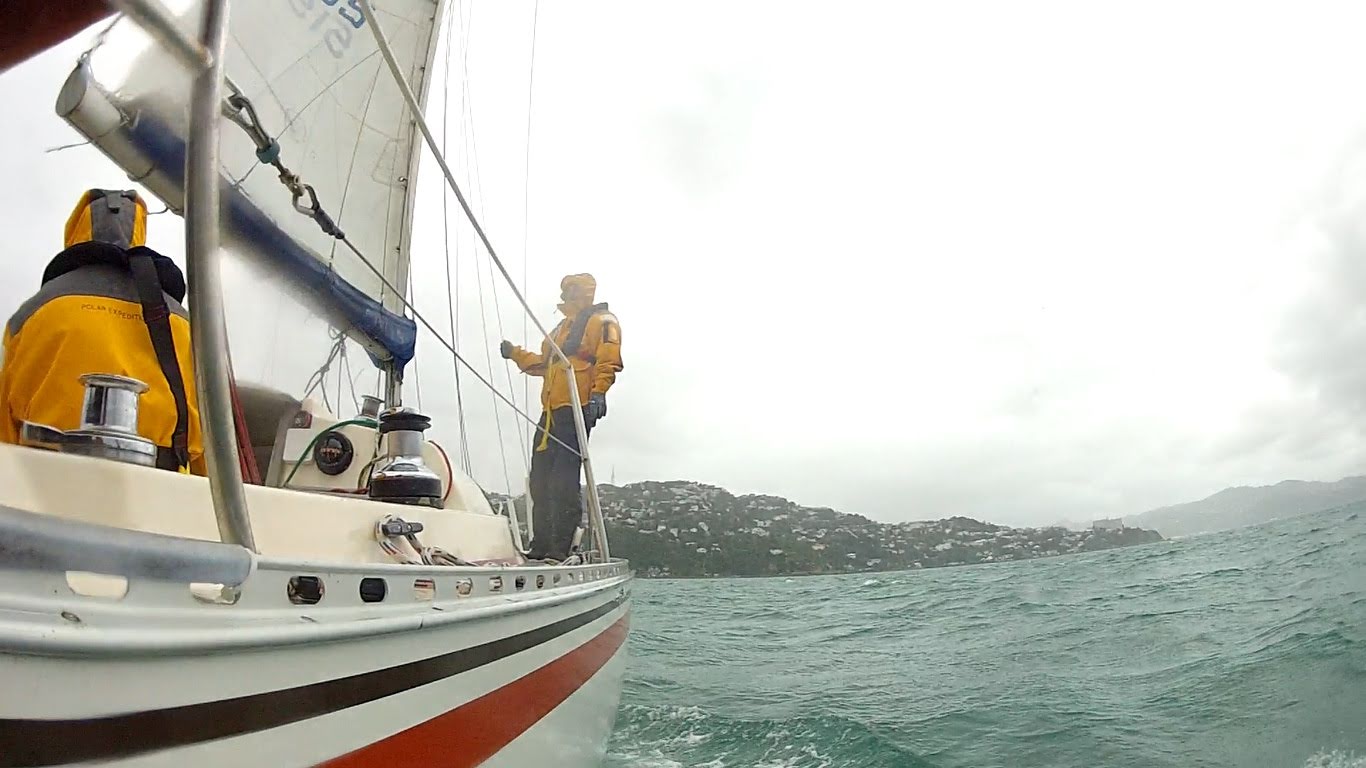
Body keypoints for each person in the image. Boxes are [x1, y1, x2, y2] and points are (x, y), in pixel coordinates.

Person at [0, 189, 206, 474]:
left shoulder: (35, 312)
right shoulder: (181, 321)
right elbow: (206, 432)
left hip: (42, 477)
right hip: (161, 484)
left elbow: (4, 420)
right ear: (139, 232)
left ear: (75, 230)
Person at [502, 273, 622, 561]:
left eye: (572, 289)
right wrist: (515, 353)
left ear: (585, 292)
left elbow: (608, 358)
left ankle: (561, 547)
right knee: (540, 479)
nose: (566, 294)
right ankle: (541, 545)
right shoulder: (559, 330)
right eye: (566, 289)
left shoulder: (602, 321)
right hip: (550, 412)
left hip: (576, 407)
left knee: (563, 480)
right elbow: (544, 364)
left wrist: (599, 393)